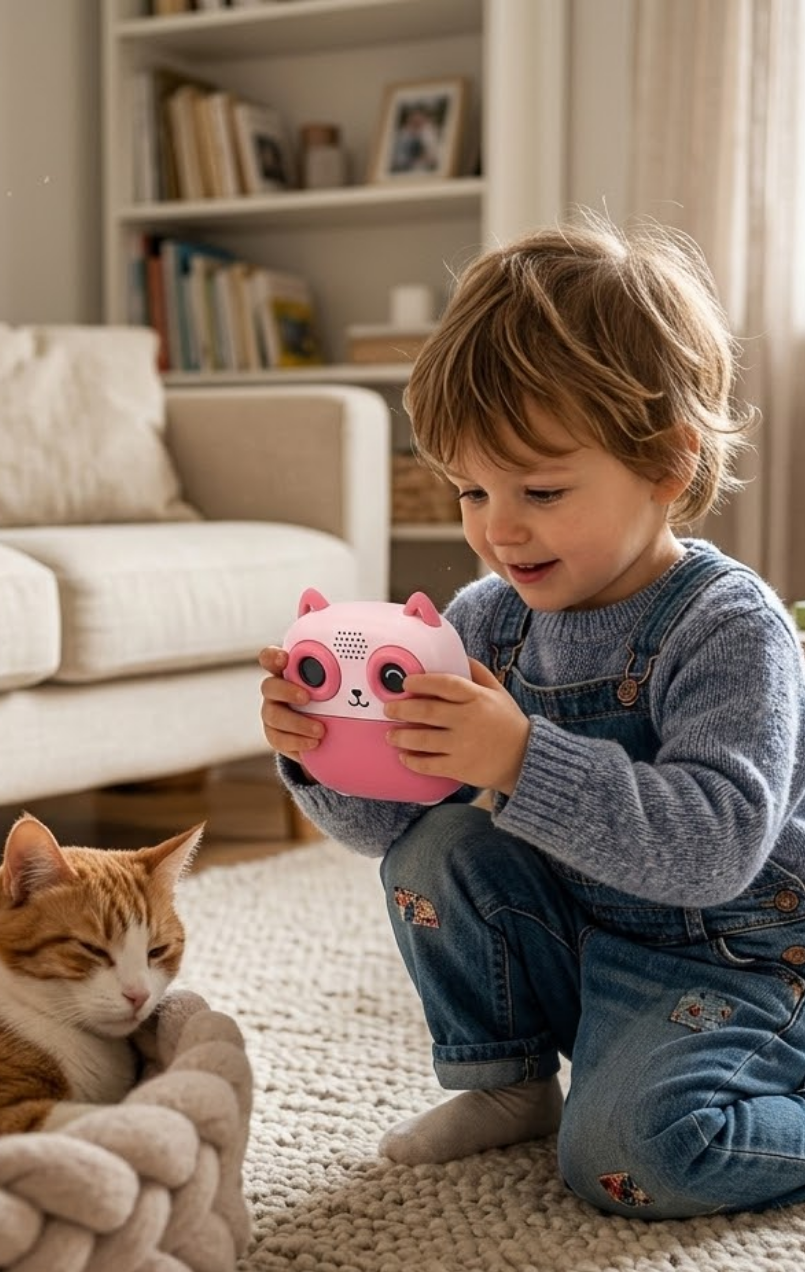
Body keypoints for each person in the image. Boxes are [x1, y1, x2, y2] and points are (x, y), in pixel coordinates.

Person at [258, 214, 805, 1221]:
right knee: (443, 844)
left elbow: (718, 849)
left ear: (668, 466)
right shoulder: (485, 619)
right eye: (471, 488)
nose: (498, 526)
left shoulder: (732, 629)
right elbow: (393, 830)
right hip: (579, 935)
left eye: (542, 490)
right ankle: (508, 1079)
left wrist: (520, 755)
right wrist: (327, 754)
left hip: (738, 959)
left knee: (637, 1157)